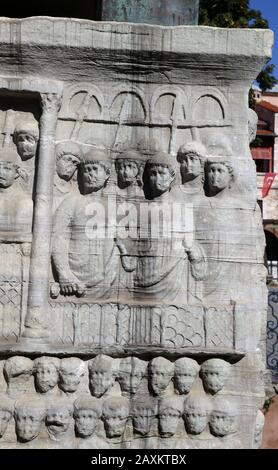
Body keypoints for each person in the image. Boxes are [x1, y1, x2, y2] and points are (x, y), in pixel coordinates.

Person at [52, 148, 117, 299]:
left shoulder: (115, 207)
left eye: (95, 169)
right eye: (87, 170)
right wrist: (64, 274)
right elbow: (58, 238)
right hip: (73, 279)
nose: (90, 174)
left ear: (107, 174)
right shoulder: (71, 202)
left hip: (107, 279)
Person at [54, 140, 82, 210]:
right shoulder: (46, 185)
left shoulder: (76, 190)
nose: (70, 166)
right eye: (67, 160)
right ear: (56, 160)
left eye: (74, 163)